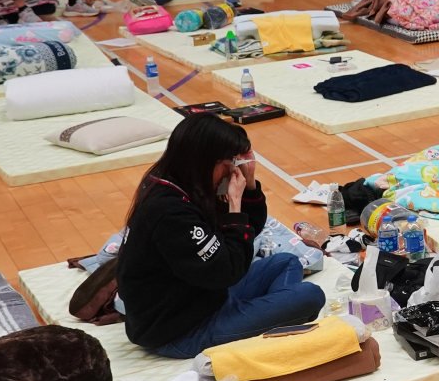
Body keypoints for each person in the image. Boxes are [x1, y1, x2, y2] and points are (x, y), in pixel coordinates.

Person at [116, 116, 326, 358]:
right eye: (232, 162)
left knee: (286, 262)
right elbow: (228, 271)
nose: (234, 170)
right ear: (208, 161)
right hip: (180, 331)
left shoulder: (181, 181)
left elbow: (250, 232)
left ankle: (266, 318)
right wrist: (234, 207)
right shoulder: (170, 211)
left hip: (200, 298)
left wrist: (249, 187)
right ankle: (268, 320)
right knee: (310, 296)